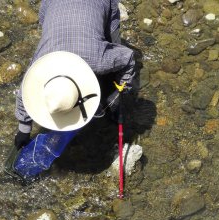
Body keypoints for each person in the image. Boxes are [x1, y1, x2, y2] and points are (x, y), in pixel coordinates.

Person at [14, 0, 136, 150]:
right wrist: (24, 130)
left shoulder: (98, 61)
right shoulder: (41, 61)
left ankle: (113, 102)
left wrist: (121, 88)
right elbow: (24, 94)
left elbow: (127, 57)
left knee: (111, 42)